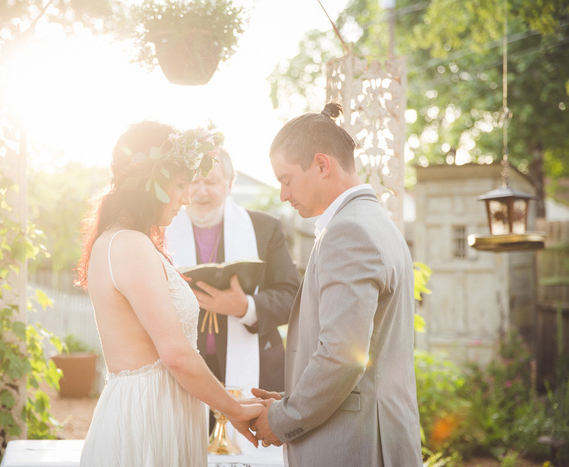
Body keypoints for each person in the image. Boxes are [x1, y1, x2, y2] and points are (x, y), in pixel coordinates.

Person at [76, 121, 262, 466]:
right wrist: (233, 409)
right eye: (180, 184)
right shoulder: (129, 245)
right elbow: (176, 354)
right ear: (153, 183)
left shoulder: (122, 240)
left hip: (157, 409)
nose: (187, 197)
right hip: (148, 419)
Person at [250, 102, 423, 466]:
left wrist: (282, 419)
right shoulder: (375, 221)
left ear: (322, 164)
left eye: (286, 179)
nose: (283, 194)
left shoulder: (349, 232)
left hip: (353, 447)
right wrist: (288, 399)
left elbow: (343, 356)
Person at [164, 149, 300, 396]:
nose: (201, 191)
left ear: (230, 184)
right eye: (194, 181)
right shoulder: (162, 232)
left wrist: (246, 307)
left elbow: (292, 297)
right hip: (183, 370)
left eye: (211, 181)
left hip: (256, 369)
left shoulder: (265, 229)